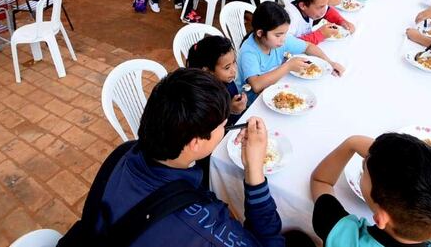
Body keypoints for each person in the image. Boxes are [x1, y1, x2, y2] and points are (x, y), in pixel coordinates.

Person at [62, 68, 293, 247]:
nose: (226, 129)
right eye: (223, 126)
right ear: (195, 142)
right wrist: (254, 170)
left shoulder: (124, 152)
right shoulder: (204, 227)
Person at [310, 133, 431, 246]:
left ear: (381, 218)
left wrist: (352, 143)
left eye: (366, 168)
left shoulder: (345, 237)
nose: (365, 163)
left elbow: (321, 181)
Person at [238, 1, 345, 105]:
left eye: (285, 34)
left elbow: (308, 46)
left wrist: (329, 62)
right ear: (260, 33)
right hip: (252, 102)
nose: (283, 39)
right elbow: (256, 85)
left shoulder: (279, 40)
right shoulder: (249, 52)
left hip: (275, 88)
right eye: (278, 35)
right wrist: (288, 66)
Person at [186, 35, 246, 125]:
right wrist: (231, 110)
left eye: (234, 62)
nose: (234, 70)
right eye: (227, 67)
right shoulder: (203, 97)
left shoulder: (227, 81)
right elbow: (211, 128)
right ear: (207, 71)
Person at [286, 0, 355, 45]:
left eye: (325, 5)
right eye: (321, 7)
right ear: (303, 6)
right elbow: (288, 45)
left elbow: (328, 11)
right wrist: (320, 34)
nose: (323, 10)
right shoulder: (290, 18)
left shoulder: (310, 9)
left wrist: (342, 21)